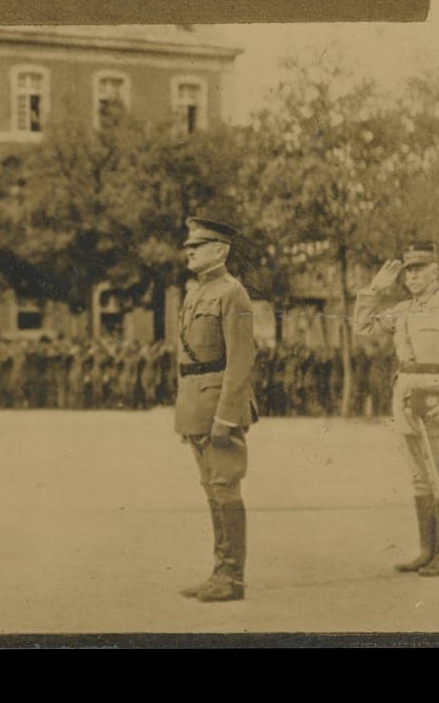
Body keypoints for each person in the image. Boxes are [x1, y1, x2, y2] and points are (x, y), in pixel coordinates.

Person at [355, 241, 439, 577]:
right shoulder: (403, 309)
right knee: (420, 479)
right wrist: (374, 291)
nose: (411, 276)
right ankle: (427, 551)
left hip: (438, 404)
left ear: (435, 271)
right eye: (408, 271)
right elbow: (363, 328)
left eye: (419, 269)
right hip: (407, 403)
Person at [175, 217, 258, 603]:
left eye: (198, 245)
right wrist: (185, 413)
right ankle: (218, 571)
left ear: (221, 250)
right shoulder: (195, 293)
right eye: (189, 246)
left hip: (219, 406)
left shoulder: (232, 293)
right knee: (211, 488)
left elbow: (240, 359)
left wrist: (226, 415)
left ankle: (232, 577)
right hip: (195, 403)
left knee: (225, 488)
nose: (189, 251)